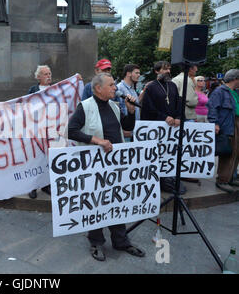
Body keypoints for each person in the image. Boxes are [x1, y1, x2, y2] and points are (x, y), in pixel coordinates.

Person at [68, 73, 145, 262]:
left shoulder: (114, 105)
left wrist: (131, 111)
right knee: (96, 202)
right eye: (111, 85)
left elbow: (126, 128)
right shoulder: (84, 107)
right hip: (95, 165)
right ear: (98, 88)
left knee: (116, 201)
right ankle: (96, 242)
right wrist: (97, 141)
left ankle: (121, 241)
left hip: (115, 163)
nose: (115, 88)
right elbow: (71, 131)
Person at [140, 61, 185, 194]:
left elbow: (178, 103)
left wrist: (178, 117)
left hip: (172, 128)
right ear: (157, 71)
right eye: (165, 69)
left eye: (169, 68)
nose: (168, 71)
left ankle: (167, 180)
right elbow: (148, 107)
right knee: (157, 154)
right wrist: (163, 117)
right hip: (157, 127)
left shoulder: (172, 85)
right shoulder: (151, 87)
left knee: (169, 154)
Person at [207, 69, 239, 193]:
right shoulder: (220, 91)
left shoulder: (235, 91)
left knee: (236, 151)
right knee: (228, 152)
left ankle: (231, 177)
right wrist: (214, 123)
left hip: (235, 121)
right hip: (228, 124)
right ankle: (223, 179)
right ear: (235, 79)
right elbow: (212, 107)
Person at [27, 65, 53, 199]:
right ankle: (32, 186)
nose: (49, 76)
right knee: (35, 158)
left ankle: (46, 184)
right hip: (36, 129)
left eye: (49, 73)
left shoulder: (56, 89)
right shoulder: (33, 90)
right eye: (45, 74)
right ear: (38, 77)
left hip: (51, 129)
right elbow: (26, 107)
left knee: (48, 157)